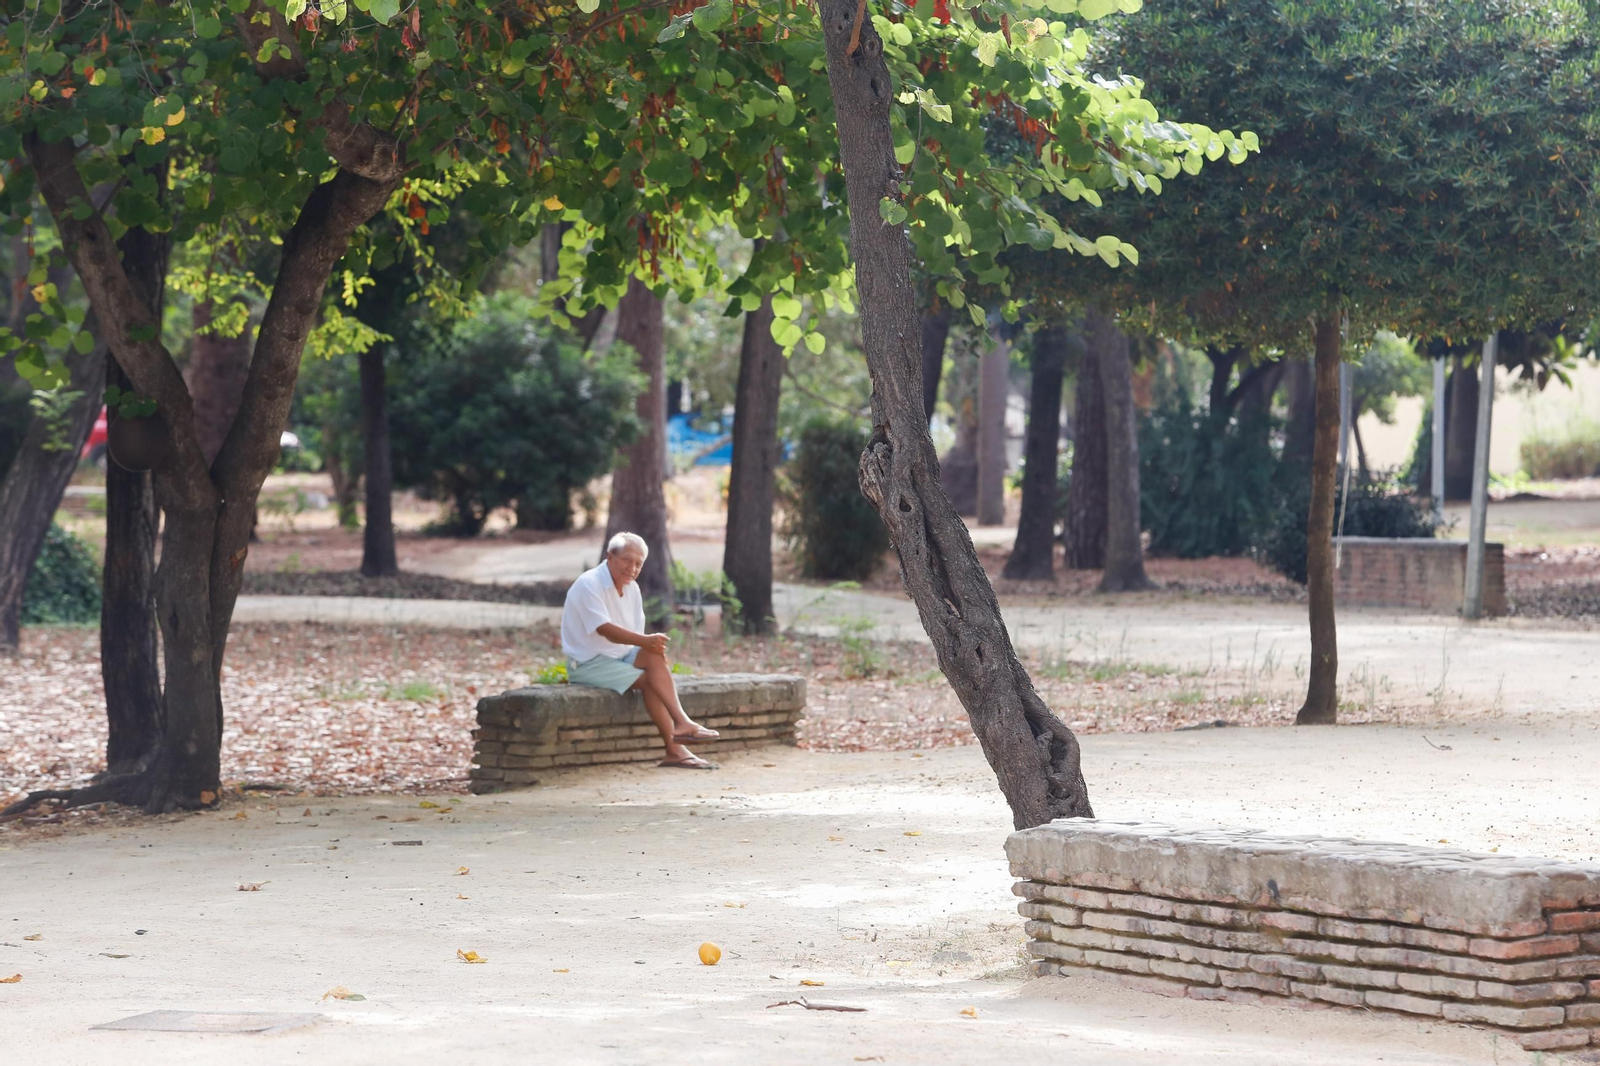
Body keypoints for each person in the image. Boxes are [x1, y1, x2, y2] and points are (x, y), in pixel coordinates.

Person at [561, 532, 719, 770]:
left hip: (621, 658)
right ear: (610, 556)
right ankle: (677, 744)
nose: (632, 568)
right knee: (650, 680)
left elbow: (634, 640)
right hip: (588, 664)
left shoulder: (631, 588)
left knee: (655, 658)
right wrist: (647, 642)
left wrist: (651, 649)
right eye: (626, 560)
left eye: (638, 564)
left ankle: (681, 729)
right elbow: (605, 630)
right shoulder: (589, 583)